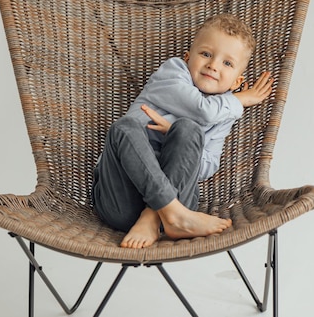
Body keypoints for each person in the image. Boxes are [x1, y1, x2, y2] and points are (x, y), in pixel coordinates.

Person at [92, 13, 273, 249]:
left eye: (227, 63)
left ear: (236, 81)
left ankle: (156, 215)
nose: (213, 65)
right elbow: (203, 111)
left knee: (187, 130)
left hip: (180, 201)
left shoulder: (225, 113)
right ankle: (171, 212)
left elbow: (207, 165)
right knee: (124, 127)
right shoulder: (173, 73)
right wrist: (240, 100)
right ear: (187, 58)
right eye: (206, 54)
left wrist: (175, 137)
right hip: (120, 201)